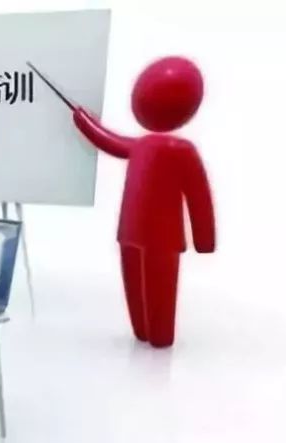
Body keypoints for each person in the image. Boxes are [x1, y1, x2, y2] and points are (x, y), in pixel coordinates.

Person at [70, 56, 216, 348]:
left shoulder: (179, 150)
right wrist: (81, 118)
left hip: (160, 237)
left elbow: (198, 196)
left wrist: (205, 240)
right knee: (137, 286)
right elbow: (108, 140)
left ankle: (159, 335)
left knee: (158, 287)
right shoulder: (150, 147)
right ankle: (143, 331)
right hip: (132, 231)